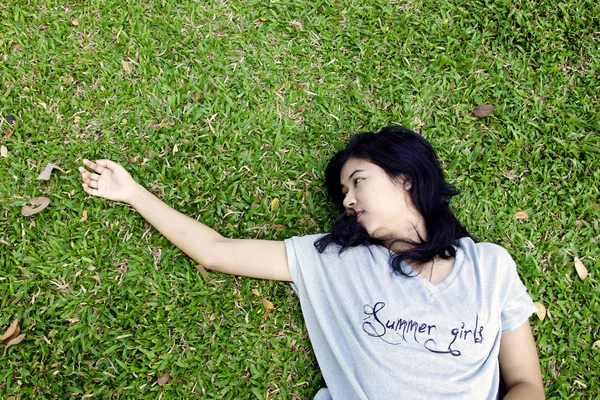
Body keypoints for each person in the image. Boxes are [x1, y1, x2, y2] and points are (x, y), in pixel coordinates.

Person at [79, 125, 545, 400]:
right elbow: (216, 251)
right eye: (343, 191)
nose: (347, 200)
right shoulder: (335, 262)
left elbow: (525, 382)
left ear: (405, 178)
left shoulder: (490, 266)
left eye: (357, 181)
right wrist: (134, 193)